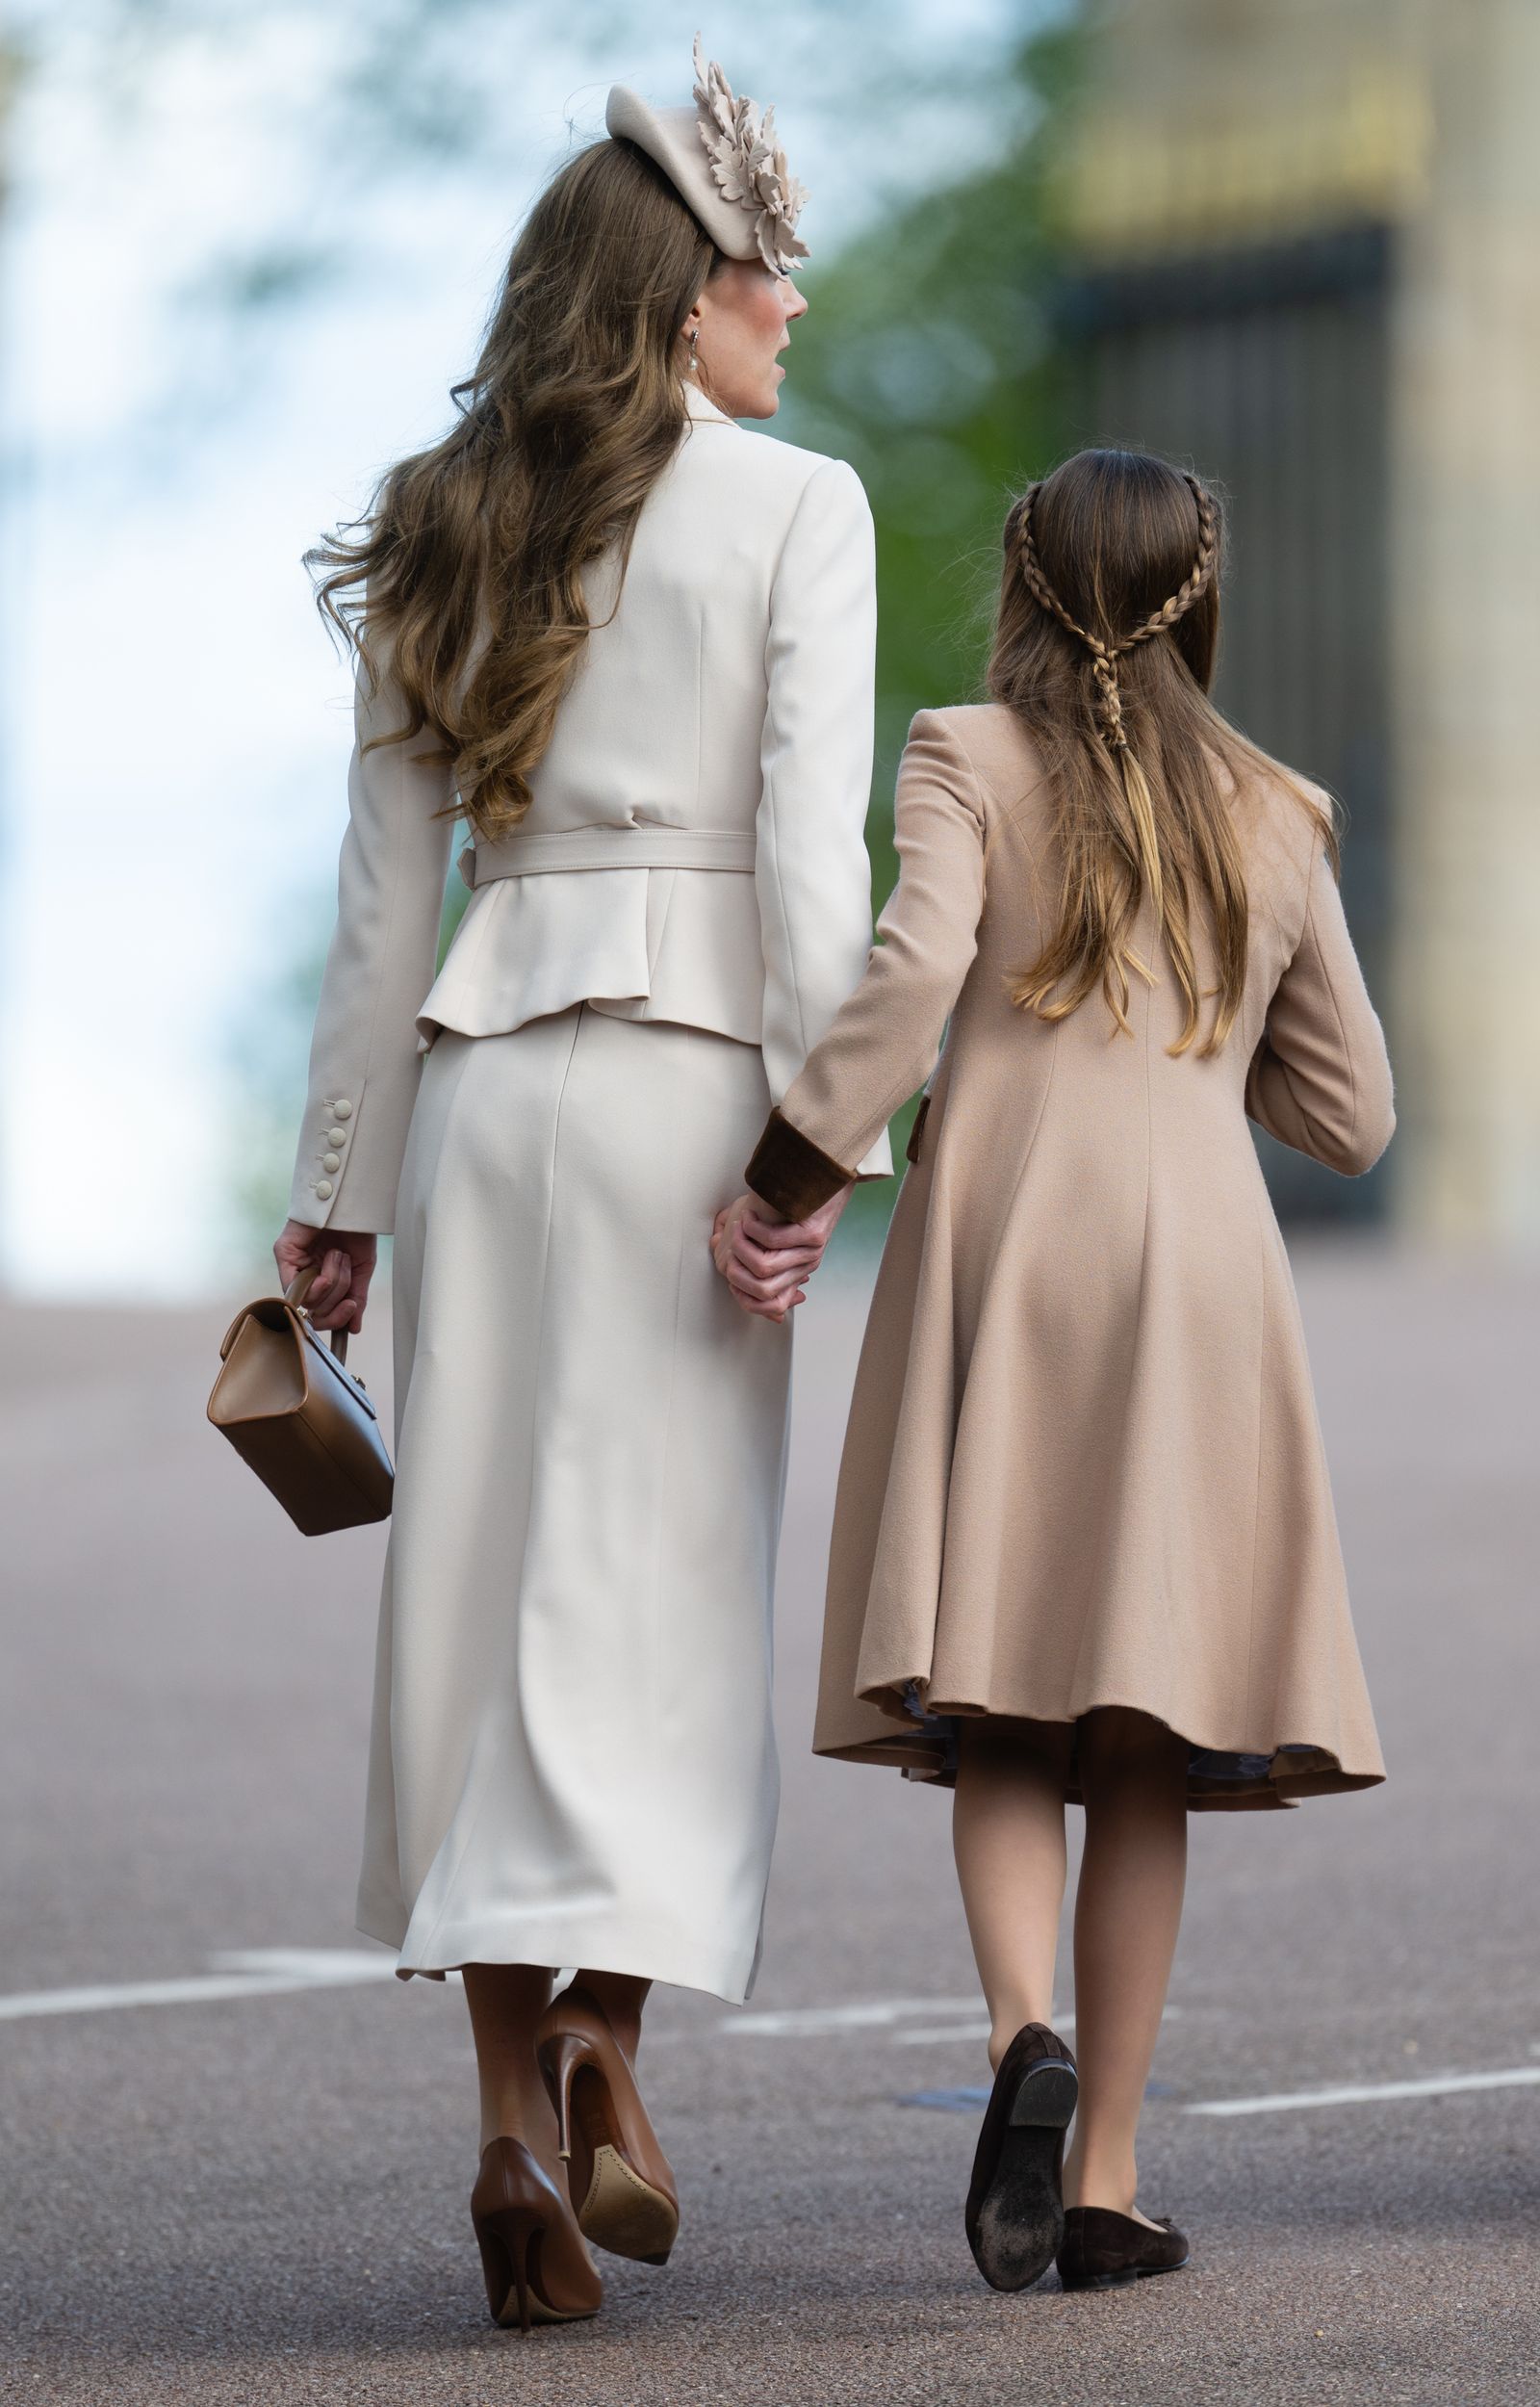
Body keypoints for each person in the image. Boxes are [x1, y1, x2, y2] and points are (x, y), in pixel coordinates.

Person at [271, 38, 889, 2332]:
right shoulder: (790, 506)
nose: (790, 304)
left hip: (483, 1095)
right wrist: (822, 1143)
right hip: (689, 1088)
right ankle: (604, 2035)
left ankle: (507, 2135)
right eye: (761, 267)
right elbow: (814, 874)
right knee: (659, 1595)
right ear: (679, 289)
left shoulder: (442, 508)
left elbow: (378, 892)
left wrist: (337, 1182)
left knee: (485, 1585)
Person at [715, 448, 1394, 2295]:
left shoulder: (964, 753)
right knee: (1145, 1737)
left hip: (1008, 1252)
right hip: (1202, 1284)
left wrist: (791, 1168)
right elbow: (1353, 1115)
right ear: (1206, 597)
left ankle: (1023, 2035)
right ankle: (1101, 2182)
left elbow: (918, 959)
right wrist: (1208, 1028)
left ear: (1021, 580)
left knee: (1003, 1701)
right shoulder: (1276, 810)